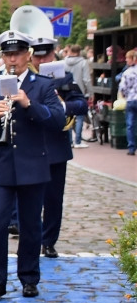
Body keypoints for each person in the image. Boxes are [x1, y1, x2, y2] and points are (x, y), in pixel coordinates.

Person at [0, 30, 64, 299]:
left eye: (18, 54)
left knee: (31, 223)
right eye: (8, 54)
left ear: (27, 55)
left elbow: (57, 120)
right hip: (0, 165)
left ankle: (29, 278)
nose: (13, 59)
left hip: (33, 164)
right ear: (2, 56)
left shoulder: (43, 85)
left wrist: (29, 104)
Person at [31, 37, 87, 259]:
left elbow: (81, 104)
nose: (42, 59)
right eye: (38, 56)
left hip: (55, 145)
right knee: (29, 197)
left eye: (46, 55)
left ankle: (49, 241)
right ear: (31, 56)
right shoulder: (24, 79)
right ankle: (30, 236)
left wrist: (62, 105)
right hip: (31, 144)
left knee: (54, 199)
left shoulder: (65, 77)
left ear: (53, 55)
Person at [63, 45, 92, 147]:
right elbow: (86, 79)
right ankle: (78, 141)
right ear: (79, 51)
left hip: (66, 92)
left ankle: (69, 141)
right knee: (79, 117)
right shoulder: (83, 63)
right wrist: (90, 92)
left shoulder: (64, 62)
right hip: (79, 92)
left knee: (68, 115)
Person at [116, 49, 137, 156]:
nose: (126, 60)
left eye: (127, 58)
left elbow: (122, 88)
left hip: (131, 100)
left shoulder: (127, 72)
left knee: (130, 124)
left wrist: (125, 95)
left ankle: (132, 148)